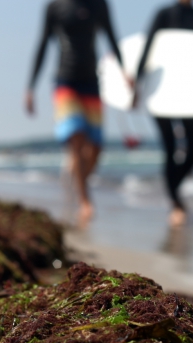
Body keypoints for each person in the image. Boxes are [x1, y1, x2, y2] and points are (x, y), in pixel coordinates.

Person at [26, 0, 127, 227]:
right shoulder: (55, 7)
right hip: (66, 82)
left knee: (96, 147)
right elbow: (42, 44)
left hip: (92, 82)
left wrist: (125, 73)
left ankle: (77, 178)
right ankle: (85, 201)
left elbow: (112, 37)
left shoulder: (99, 5)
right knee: (77, 137)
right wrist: (30, 88)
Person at [134, 0, 193, 227]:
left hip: (191, 92)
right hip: (161, 91)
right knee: (170, 148)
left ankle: (174, 192)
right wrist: (137, 85)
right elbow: (148, 47)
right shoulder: (164, 14)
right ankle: (176, 202)